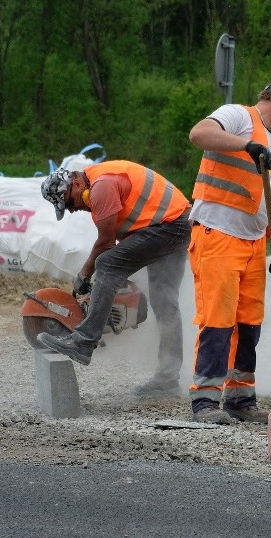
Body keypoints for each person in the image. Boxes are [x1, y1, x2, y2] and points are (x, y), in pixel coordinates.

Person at [186, 77, 271, 424]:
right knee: (217, 320)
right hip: (218, 235)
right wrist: (246, 146)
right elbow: (198, 134)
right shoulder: (239, 117)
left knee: (249, 324)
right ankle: (205, 402)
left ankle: (240, 399)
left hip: (254, 245)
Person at [38, 159, 192, 397]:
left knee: (107, 264)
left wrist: (85, 273)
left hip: (169, 227)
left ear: (76, 183)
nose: (71, 209)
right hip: (176, 226)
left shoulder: (102, 187)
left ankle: (83, 341)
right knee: (165, 302)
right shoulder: (99, 182)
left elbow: (107, 242)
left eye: (68, 202)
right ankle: (168, 379)